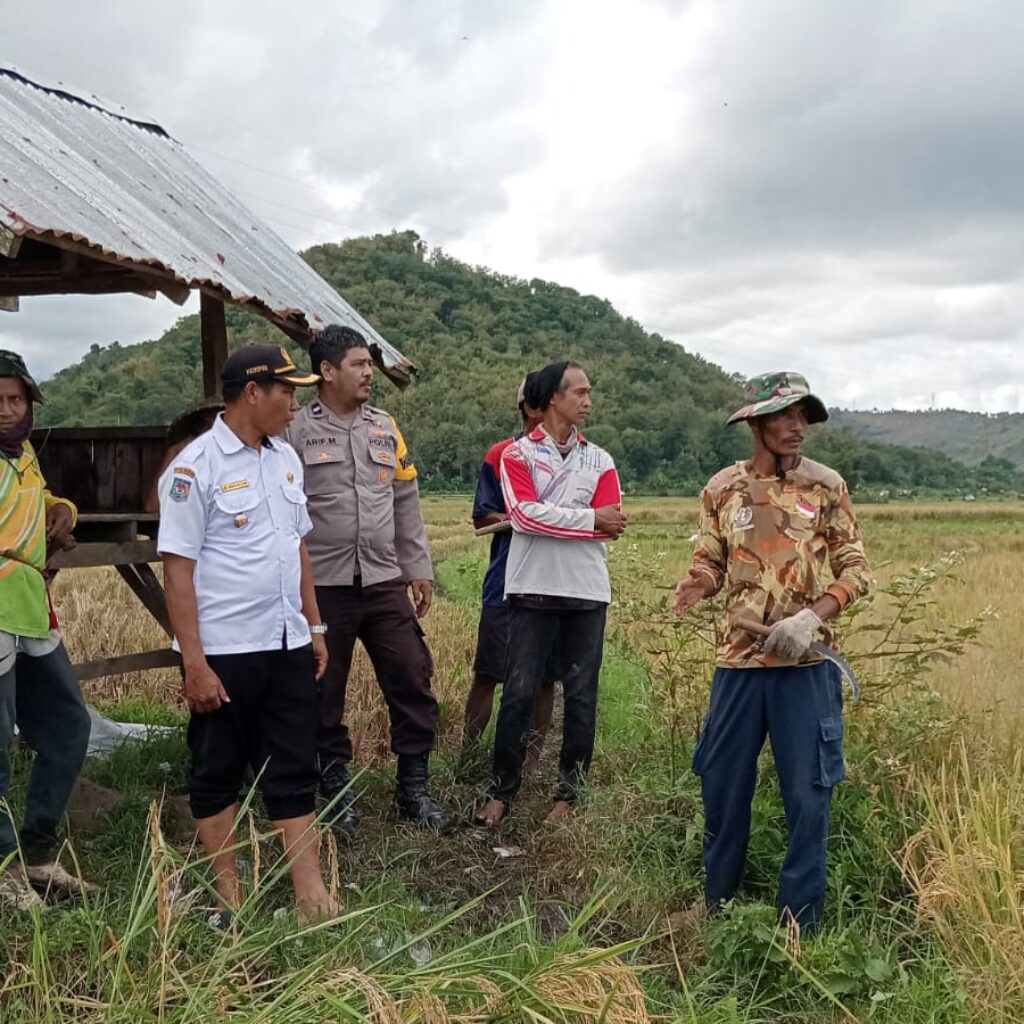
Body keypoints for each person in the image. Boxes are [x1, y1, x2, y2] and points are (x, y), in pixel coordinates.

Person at [672, 371, 871, 934]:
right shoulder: (723, 489)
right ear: (756, 422)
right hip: (738, 664)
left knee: (808, 795)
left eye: (803, 416)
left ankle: (799, 923)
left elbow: (856, 570)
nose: (797, 426)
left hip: (805, 666)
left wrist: (813, 617)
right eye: (785, 415)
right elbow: (711, 560)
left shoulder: (825, 486)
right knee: (722, 786)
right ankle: (717, 905)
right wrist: (698, 583)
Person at [158, 344, 337, 925]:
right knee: (218, 769)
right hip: (226, 651)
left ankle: (311, 895)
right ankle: (230, 898)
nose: (295, 403)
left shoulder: (285, 459)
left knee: (294, 763)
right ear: (252, 393)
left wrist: (313, 625)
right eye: (287, 391)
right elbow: (177, 572)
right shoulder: (195, 468)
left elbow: (297, 547)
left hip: (286, 641)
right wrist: (194, 664)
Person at [285, 324, 445, 832]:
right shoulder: (296, 431)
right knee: (322, 688)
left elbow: (405, 501)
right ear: (326, 371)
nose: (368, 373)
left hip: (382, 579)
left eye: (369, 364)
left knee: (411, 672)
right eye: (358, 364)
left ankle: (413, 787)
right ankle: (333, 787)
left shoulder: (385, 426)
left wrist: (417, 568)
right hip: (322, 586)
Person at [475, 361, 627, 829]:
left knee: (581, 696)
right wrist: (588, 518)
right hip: (531, 588)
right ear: (553, 398)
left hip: (587, 590)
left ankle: (569, 795)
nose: (587, 400)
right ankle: (502, 790)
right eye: (578, 392)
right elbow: (523, 516)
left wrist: (560, 519)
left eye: (588, 392)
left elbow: (613, 524)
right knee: (518, 692)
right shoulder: (517, 455)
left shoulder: (600, 459)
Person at [0, 350, 93, 912]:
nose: (6, 410)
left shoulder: (23, 453)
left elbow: (38, 499)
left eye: (16, 399)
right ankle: (3, 865)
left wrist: (64, 510)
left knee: (67, 723)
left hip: (30, 608)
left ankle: (34, 851)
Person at [462, 374, 555, 770]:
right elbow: (482, 518)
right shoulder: (500, 454)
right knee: (488, 672)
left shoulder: (575, 460)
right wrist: (528, 518)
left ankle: (530, 763)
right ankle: (468, 757)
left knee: (545, 678)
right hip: (504, 582)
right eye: (552, 402)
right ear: (531, 408)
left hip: (553, 583)